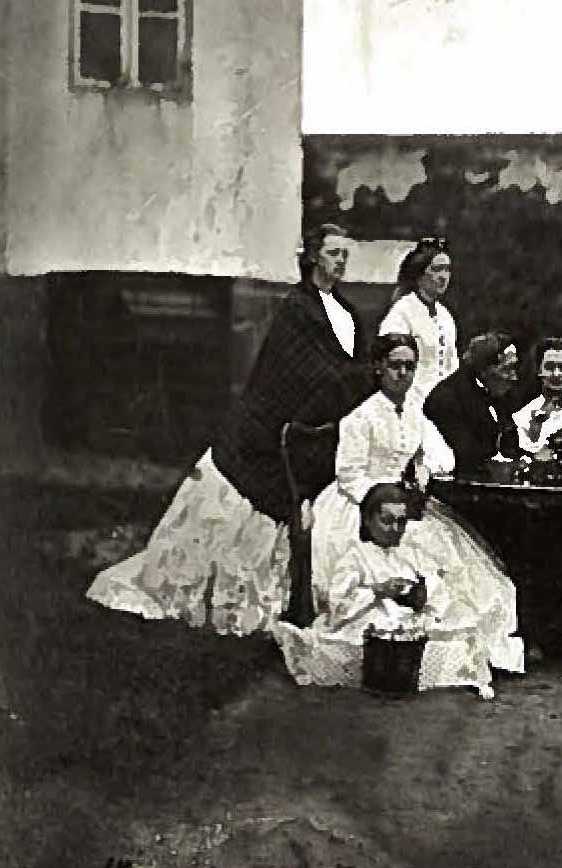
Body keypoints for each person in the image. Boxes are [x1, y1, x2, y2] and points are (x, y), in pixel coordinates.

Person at [85, 224, 368, 636]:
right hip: (272, 422)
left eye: (345, 254)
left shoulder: (348, 313)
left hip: (318, 427)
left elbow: (348, 367)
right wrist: (340, 382)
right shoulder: (297, 308)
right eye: (333, 253)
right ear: (312, 257)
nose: (340, 262)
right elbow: (292, 368)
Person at [309, 333, 524, 676]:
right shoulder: (361, 417)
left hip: (403, 500)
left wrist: (420, 473)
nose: (403, 374)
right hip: (360, 502)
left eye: (410, 367)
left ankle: (428, 641)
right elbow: (348, 476)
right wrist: (384, 500)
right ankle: (389, 643)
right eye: (395, 366)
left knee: (461, 575)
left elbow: (443, 458)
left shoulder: (414, 412)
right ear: (379, 368)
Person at [273, 483, 499, 697]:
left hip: (408, 624)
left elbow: (437, 587)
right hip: (366, 623)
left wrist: (423, 593)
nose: (395, 529)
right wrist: (377, 591)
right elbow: (338, 604)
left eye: (401, 522)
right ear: (368, 520)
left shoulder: (411, 553)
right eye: (387, 521)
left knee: (462, 635)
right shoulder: (356, 555)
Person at [423, 333, 522, 472]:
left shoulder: (494, 393)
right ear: (484, 370)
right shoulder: (445, 400)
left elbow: (510, 444)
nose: (514, 377)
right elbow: (466, 456)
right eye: (507, 369)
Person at [379, 237, 458, 401]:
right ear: (420, 274)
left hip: (446, 403)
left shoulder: (445, 316)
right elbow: (390, 366)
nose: (443, 276)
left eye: (447, 269)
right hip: (413, 401)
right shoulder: (402, 312)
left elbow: (452, 366)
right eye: (437, 269)